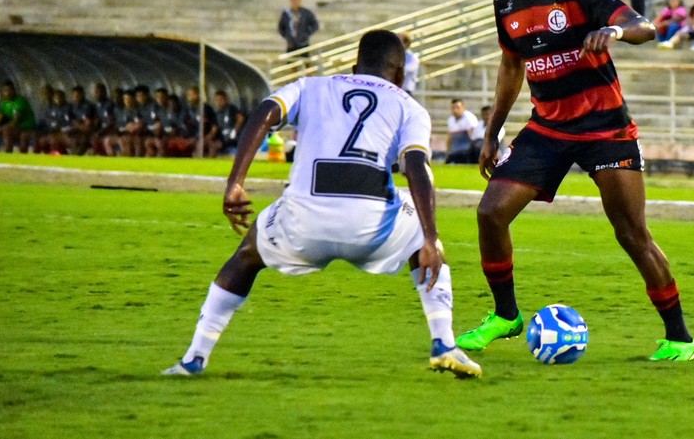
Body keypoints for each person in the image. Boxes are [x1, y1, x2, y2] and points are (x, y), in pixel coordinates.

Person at [162, 30, 482, 379]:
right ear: (401, 74)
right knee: (421, 232)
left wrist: (235, 182)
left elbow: (265, 111)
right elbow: (418, 167)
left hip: (304, 222)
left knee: (246, 256)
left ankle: (194, 358)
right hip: (372, 226)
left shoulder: (310, 86)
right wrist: (431, 237)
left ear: (354, 65)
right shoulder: (409, 107)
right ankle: (444, 343)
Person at [455, 0, 694, 362]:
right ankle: (507, 316)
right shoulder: (505, 3)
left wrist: (614, 31)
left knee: (631, 233)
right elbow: (512, 66)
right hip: (548, 127)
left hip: (605, 127)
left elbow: (646, 27)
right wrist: (492, 134)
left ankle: (679, 337)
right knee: (490, 213)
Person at [0, 80, 37, 153]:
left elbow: (15, 121)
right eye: (5, 90)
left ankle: (8, 153)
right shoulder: (3, 104)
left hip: (26, 128)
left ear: (14, 90)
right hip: (15, 129)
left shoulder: (20, 101)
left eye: (9, 90)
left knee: (6, 130)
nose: (7, 92)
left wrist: (2, 128)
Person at [446, 99, 479, 164]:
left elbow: (473, 137)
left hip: (466, 150)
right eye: (453, 108)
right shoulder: (451, 120)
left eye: (458, 108)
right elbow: (449, 137)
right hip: (455, 150)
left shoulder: (469, 118)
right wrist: (448, 151)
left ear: (463, 108)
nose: (455, 110)